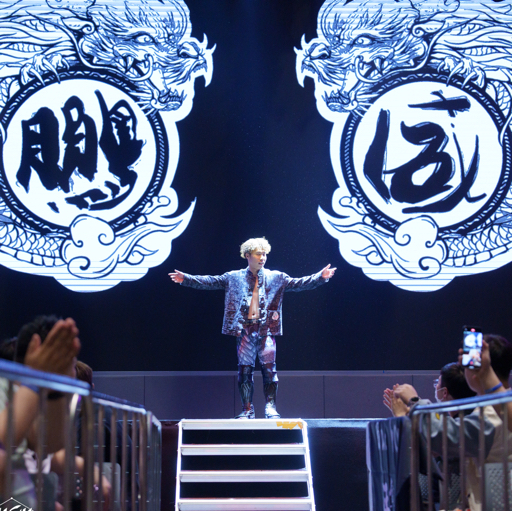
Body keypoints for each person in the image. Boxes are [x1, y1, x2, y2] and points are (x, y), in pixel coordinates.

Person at [169, 237, 336, 419]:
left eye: (264, 254)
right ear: (247, 255)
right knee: (244, 370)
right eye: (258, 254)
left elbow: (299, 283)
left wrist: (320, 277)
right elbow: (210, 281)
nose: (262, 258)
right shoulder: (234, 277)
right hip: (245, 330)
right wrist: (186, 279)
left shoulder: (276, 277)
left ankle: (270, 407)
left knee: (269, 370)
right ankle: (247, 409)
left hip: (266, 330)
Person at [393, 334, 512, 511]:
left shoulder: (492, 415)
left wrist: (415, 401)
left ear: (479, 370)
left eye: (466, 366)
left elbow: (443, 437)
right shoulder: (492, 409)